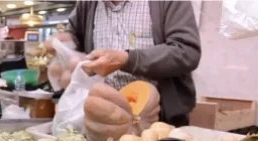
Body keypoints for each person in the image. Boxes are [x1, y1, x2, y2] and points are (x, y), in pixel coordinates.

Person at [47, 1, 201, 127]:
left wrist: (127, 59)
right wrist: (64, 43)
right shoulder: (87, 3)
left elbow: (187, 51)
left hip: (160, 120)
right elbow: (75, 34)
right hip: (104, 119)